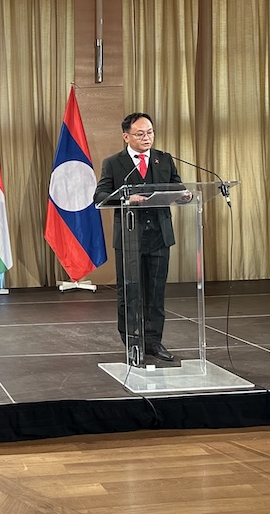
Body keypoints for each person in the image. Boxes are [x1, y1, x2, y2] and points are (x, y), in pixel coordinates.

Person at [93, 113, 183, 363]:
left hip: (160, 235)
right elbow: (100, 195)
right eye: (140, 134)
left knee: (155, 292)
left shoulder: (164, 159)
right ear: (126, 137)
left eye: (150, 132)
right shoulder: (114, 163)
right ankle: (133, 342)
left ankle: (153, 341)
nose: (147, 138)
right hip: (129, 237)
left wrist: (184, 194)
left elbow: (177, 186)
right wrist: (126, 198)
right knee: (130, 291)